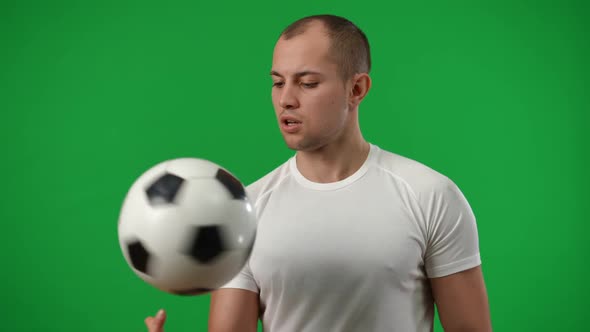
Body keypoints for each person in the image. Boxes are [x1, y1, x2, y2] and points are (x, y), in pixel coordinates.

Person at [145, 14, 492, 332]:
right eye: (278, 83)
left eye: (307, 83)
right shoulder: (243, 209)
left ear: (356, 89)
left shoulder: (429, 195)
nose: (286, 100)